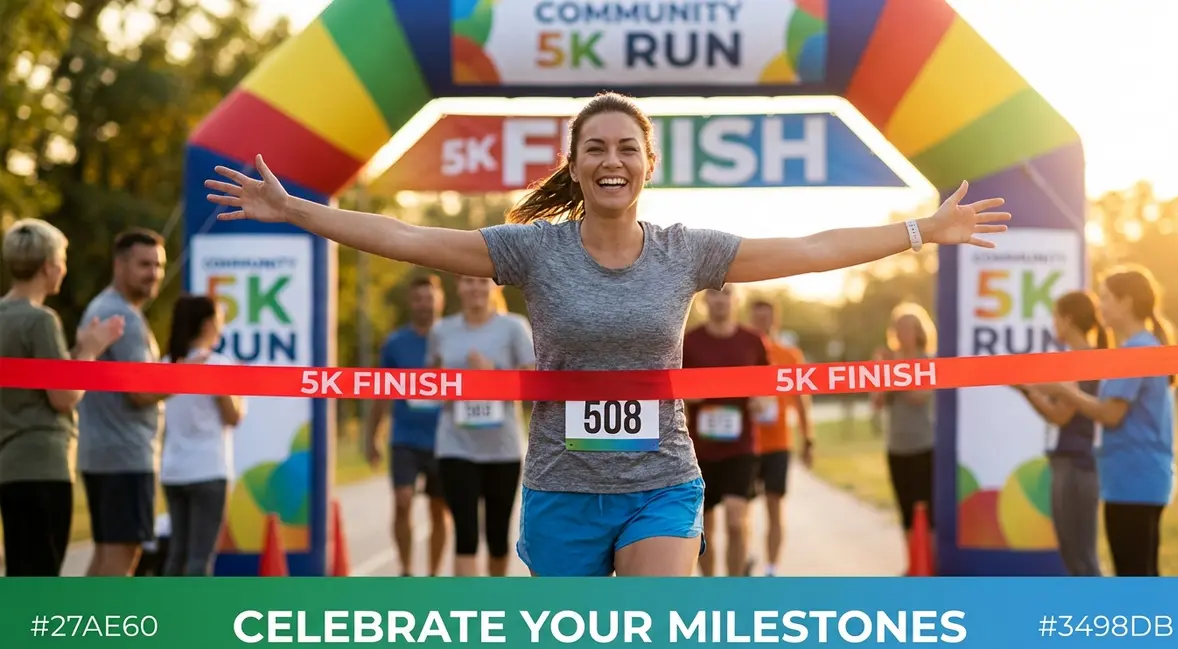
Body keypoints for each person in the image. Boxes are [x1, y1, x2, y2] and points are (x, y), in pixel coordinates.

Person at [205, 91, 1010, 577]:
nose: (612, 158)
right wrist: (299, 211)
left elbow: (811, 250)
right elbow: (406, 236)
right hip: (561, 489)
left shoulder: (687, 251)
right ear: (578, 165)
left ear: (648, 162)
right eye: (597, 148)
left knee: (653, 640)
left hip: (662, 482)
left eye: (628, 146)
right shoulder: (531, 250)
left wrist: (918, 230)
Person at [1035, 266, 1178, 576]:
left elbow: (1111, 415)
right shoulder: (1142, 347)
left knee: (1133, 575)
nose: (1100, 306)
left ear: (1126, 302)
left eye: (1106, 298)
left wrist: (1063, 390)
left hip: (1133, 480)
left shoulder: (1136, 351)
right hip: (1138, 478)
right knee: (1141, 574)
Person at [0, 219, 124, 576]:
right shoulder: (41, 321)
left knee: (21, 572)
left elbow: (33, 381)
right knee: (42, 577)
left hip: (10, 464)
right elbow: (64, 395)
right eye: (63, 261)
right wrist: (91, 351)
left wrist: (78, 349)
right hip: (44, 463)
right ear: (49, 266)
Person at [428, 276, 536, 576]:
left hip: (502, 447)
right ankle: (468, 610)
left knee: (498, 535)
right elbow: (429, 379)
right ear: (458, 287)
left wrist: (494, 373)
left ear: (496, 286)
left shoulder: (514, 327)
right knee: (465, 533)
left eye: (482, 281)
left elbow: (535, 381)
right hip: (455, 443)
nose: (475, 288)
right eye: (467, 281)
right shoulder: (442, 330)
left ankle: (493, 604)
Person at [76, 228, 168, 576]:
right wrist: (186, 376)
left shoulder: (101, 306)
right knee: (121, 556)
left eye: (158, 265)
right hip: (125, 455)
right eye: (145, 264)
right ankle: (106, 630)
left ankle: (85, 628)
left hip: (102, 452)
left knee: (106, 554)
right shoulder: (123, 317)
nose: (154, 273)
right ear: (120, 265)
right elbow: (140, 392)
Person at [1014, 291, 1106, 577]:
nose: (1053, 323)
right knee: (1075, 553)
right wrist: (1028, 390)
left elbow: (1059, 415)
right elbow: (1058, 412)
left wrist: (1026, 389)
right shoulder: (1081, 358)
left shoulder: (1082, 360)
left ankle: (1098, 616)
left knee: (1080, 555)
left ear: (1068, 319)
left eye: (1055, 316)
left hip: (1077, 466)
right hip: (1072, 464)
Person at [364, 274, 450, 576]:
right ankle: (406, 570)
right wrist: (371, 436)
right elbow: (380, 392)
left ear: (439, 300)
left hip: (444, 438)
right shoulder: (396, 343)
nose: (424, 305)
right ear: (410, 303)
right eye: (418, 299)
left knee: (439, 509)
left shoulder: (453, 337)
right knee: (402, 501)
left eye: (429, 298)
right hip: (405, 437)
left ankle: (433, 575)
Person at [682, 285, 769, 576]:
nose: (720, 299)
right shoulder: (689, 341)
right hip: (698, 448)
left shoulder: (752, 341)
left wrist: (761, 400)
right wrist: (688, 394)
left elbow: (767, 385)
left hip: (740, 445)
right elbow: (673, 386)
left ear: (736, 299)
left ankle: (735, 590)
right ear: (705, 300)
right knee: (704, 528)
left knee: (735, 520)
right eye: (714, 294)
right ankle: (712, 589)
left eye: (726, 293)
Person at [160, 294, 245, 576]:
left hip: (173, 469)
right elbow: (232, 416)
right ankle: (195, 618)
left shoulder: (165, 364)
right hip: (208, 468)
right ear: (208, 324)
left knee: (177, 555)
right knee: (200, 558)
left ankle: (168, 615)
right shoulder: (216, 364)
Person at [748, 298, 814, 577]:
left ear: (775, 320)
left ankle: (772, 568)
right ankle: (746, 556)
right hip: (746, 443)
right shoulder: (742, 352)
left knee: (775, 505)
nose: (762, 323)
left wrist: (808, 438)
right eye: (757, 318)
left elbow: (800, 401)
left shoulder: (789, 355)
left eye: (767, 318)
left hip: (777, 443)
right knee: (742, 509)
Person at [870, 303, 937, 571]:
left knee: (927, 510)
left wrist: (893, 368)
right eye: (898, 328)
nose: (902, 333)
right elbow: (878, 402)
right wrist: (878, 373)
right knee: (906, 511)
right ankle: (912, 566)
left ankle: (930, 567)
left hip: (924, 444)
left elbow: (918, 398)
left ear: (919, 331)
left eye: (907, 328)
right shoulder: (889, 361)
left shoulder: (927, 361)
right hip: (896, 446)